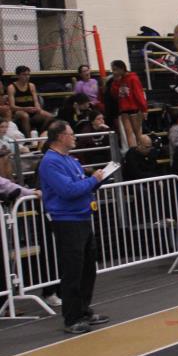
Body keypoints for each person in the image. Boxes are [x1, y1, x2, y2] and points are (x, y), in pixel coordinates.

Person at [38, 120, 109, 335]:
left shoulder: (70, 159)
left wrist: (98, 179)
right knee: (73, 270)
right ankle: (72, 317)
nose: (75, 137)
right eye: (71, 134)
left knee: (87, 268)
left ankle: (83, 310)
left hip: (82, 217)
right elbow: (68, 190)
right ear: (61, 137)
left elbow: (81, 184)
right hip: (66, 220)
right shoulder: (50, 162)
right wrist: (92, 180)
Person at [106, 60, 147, 149]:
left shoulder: (133, 78)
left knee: (137, 133)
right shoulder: (118, 80)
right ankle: (133, 152)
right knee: (128, 133)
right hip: (124, 109)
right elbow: (115, 94)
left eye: (115, 69)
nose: (113, 72)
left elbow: (138, 94)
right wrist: (115, 82)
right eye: (112, 70)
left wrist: (144, 109)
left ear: (122, 68)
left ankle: (141, 150)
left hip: (134, 108)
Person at [8, 66, 53, 135]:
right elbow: (12, 107)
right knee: (25, 115)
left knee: (50, 116)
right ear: (18, 75)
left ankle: (41, 134)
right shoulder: (11, 87)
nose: (27, 77)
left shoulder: (31, 86)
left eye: (28, 74)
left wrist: (38, 108)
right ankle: (28, 138)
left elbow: (36, 101)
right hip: (18, 112)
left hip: (32, 110)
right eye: (24, 75)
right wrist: (25, 109)